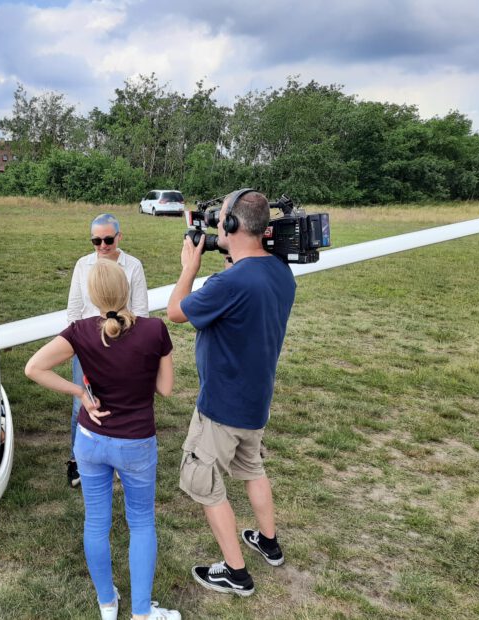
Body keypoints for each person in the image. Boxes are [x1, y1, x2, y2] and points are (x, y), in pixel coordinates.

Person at [26, 261, 179, 620]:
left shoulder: (78, 331)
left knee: (96, 522)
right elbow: (166, 389)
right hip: (136, 442)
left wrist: (79, 392)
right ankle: (141, 612)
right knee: (141, 522)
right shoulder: (155, 330)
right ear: (127, 290)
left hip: (90, 440)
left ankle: (107, 604)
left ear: (92, 296)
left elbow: (34, 368)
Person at [166, 189, 296, 597]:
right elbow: (247, 293)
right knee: (252, 468)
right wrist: (233, 262)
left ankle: (236, 573)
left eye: (221, 219)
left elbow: (176, 311)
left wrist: (188, 267)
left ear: (235, 225)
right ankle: (268, 542)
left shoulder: (229, 282)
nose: (217, 225)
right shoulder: (280, 271)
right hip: (256, 402)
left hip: (221, 406)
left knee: (203, 481)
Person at [66, 213, 149, 487]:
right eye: (96, 240)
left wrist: (129, 345)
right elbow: (74, 309)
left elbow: (141, 312)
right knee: (83, 400)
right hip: (88, 345)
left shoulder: (133, 265)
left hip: (123, 344)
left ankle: (117, 459)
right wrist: (77, 343)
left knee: (119, 400)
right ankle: (78, 459)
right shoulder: (82, 265)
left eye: (108, 240)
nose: (102, 245)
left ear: (119, 237)